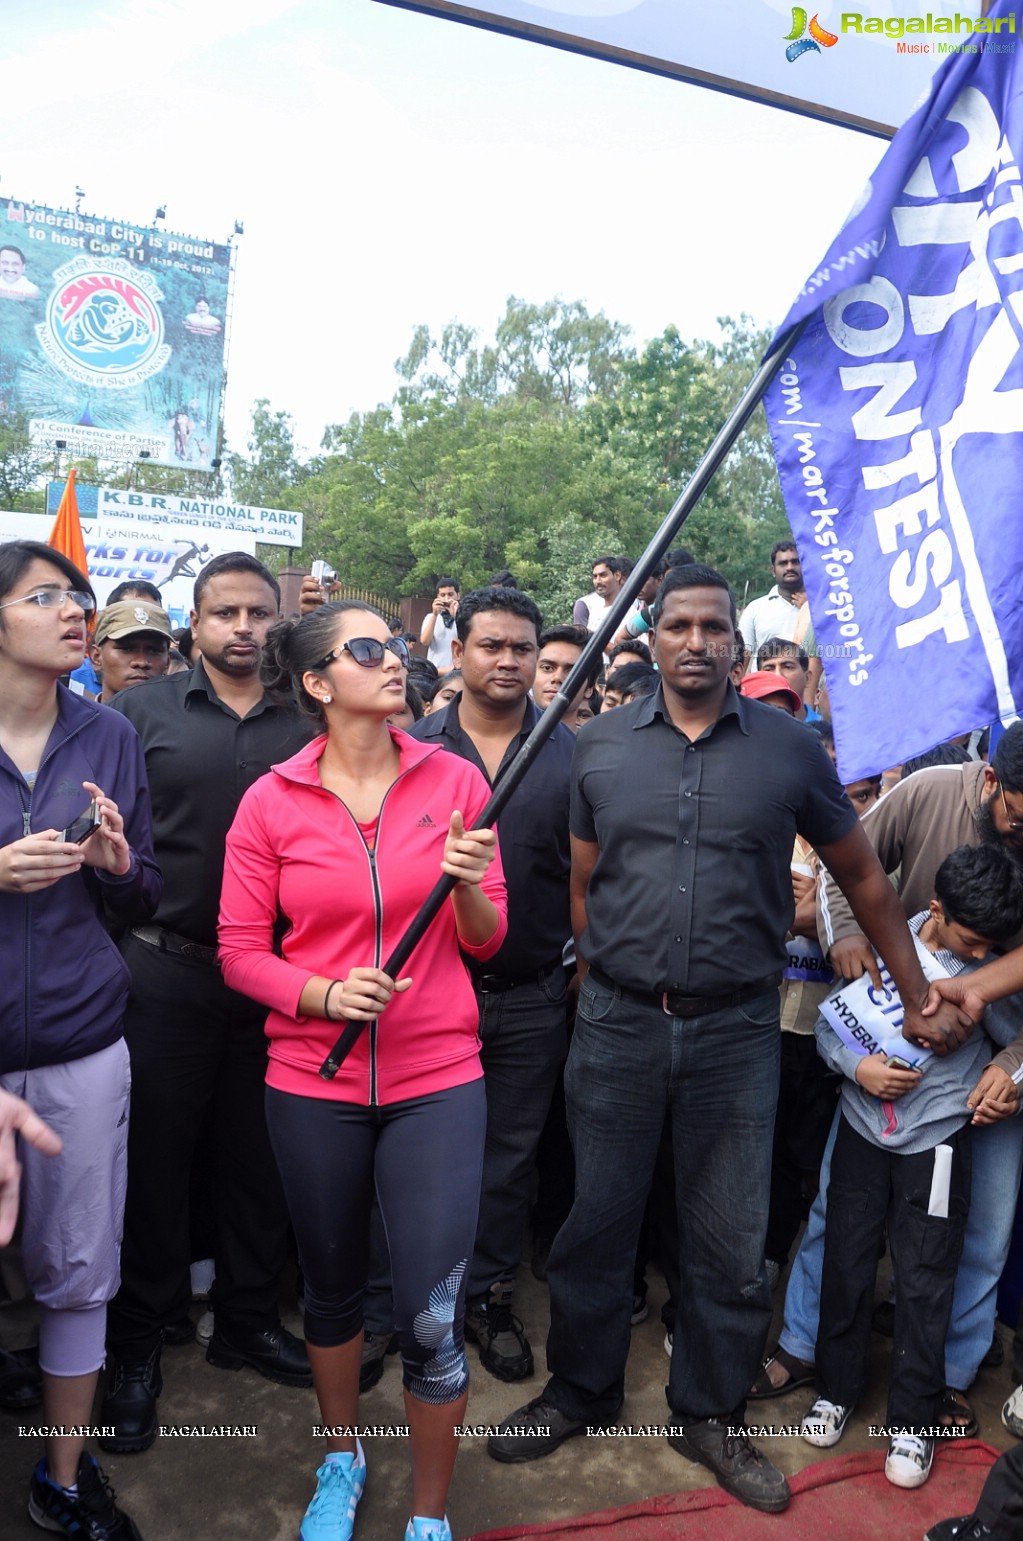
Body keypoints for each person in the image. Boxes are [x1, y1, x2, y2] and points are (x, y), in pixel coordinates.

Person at [487, 562, 970, 1515]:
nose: (697, 641)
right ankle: (579, 1386)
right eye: (679, 626)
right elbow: (586, 884)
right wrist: (596, 977)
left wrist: (915, 991)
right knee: (597, 1220)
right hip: (618, 1019)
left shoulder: (789, 752)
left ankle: (707, 1408)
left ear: (735, 647)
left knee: (726, 1235)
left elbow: (865, 879)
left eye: (714, 627)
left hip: (737, 1029)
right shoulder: (599, 748)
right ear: (653, 639)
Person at [218, 599, 507, 1541]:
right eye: (369, 648)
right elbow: (236, 950)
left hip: (437, 1078)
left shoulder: (454, 777)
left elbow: (488, 938)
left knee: (429, 1308)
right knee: (332, 1285)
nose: (397, 661)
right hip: (312, 1080)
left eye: (394, 644)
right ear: (315, 681)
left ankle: (428, 1512)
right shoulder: (271, 799)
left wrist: (465, 881)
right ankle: (340, 1456)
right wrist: (319, 995)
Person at [102, 553, 314, 1454]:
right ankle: (139, 1343)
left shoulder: (311, 718)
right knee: (154, 1161)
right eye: (222, 611)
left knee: (259, 1157)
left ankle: (246, 1318)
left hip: (276, 978)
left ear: (277, 621)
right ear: (193, 623)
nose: (241, 627)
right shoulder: (135, 715)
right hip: (166, 968)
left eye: (256, 612)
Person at [755, 731, 1023, 1427]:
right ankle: (805, 1344)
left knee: (980, 1228)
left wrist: (1009, 1064)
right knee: (834, 1217)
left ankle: (948, 1376)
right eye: (1021, 811)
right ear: (991, 779)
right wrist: (841, 933)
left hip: (984, 1077)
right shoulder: (927, 793)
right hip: (875, 1069)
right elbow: (851, 865)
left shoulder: (988, 982)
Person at [0, 540, 161, 1541]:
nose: (75, 611)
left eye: (81, 598)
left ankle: (64, 1474)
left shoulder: (109, 735)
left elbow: (142, 891)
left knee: (77, 1264)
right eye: (45, 594)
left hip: (78, 1040)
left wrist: (113, 861)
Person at [801, 845, 1023, 1489]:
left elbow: (1015, 1039)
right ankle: (834, 1392)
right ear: (933, 909)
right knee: (845, 1258)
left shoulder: (991, 984)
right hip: (861, 1130)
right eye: (973, 941)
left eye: (994, 948)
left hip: (940, 1146)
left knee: (927, 1277)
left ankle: (914, 1422)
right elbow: (828, 1029)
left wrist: (1003, 1072)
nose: (981, 961)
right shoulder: (886, 948)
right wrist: (857, 1067)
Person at [409, 587, 574, 1383]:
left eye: (520, 648)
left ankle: (488, 1296)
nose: (506, 661)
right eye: (490, 646)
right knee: (414, 1156)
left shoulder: (572, 754)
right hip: (427, 995)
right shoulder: (410, 748)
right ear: (459, 652)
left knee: (508, 1160)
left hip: (532, 994)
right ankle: (402, 1305)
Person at [90, 601, 173, 704]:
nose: (142, 662)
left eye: (154, 651)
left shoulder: (184, 719)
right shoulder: (74, 719)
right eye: (126, 649)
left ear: (168, 662)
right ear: (96, 657)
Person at [737, 541, 805, 660]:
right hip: (766, 679)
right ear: (773, 571)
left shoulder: (822, 607)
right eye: (783, 563)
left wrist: (810, 609)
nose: (790, 567)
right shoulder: (755, 609)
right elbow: (743, 658)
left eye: (795, 562)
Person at [419, 578, 460, 673]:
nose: (446, 598)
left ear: (458, 596)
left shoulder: (463, 618)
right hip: (434, 671)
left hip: (456, 671)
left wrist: (457, 616)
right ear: (437, 597)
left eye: (450, 594)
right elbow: (425, 641)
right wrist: (434, 615)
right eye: (442, 595)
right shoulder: (430, 617)